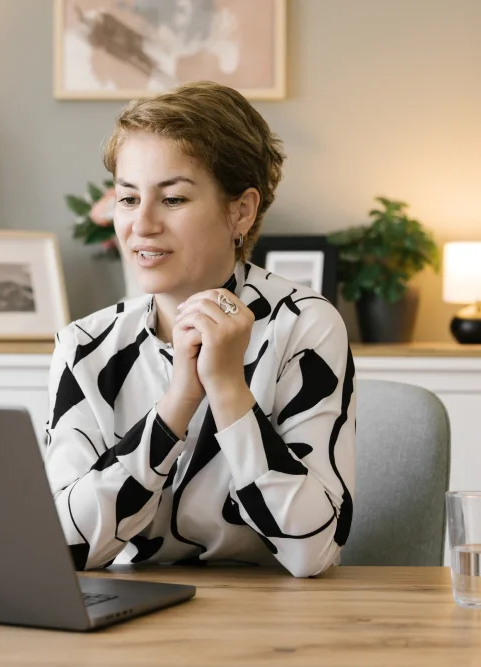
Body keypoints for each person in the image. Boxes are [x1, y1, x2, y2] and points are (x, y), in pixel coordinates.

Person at [43, 81, 355, 578]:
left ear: (241, 210)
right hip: (127, 627)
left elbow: (311, 552)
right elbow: (61, 546)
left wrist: (229, 387)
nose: (141, 225)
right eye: (128, 198)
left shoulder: (304, 325)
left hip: (271, 625)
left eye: (172, 199)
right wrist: (176, 405)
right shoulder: (86, 348)